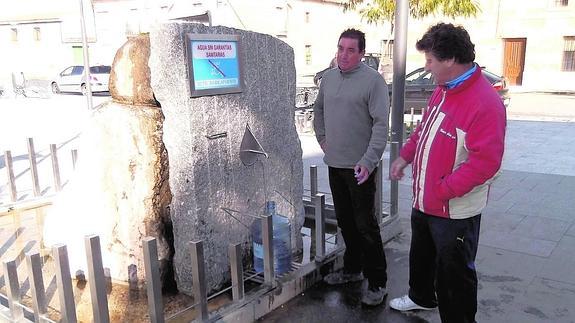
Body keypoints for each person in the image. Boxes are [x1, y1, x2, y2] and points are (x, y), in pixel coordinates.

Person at [388, 23, 506, 322]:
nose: (426, 67)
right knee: (422, 257)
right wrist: (404, 157)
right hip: (426, 201)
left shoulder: (484, 102)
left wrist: (444, 189)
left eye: (430, 60)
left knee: (455, 276)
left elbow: (486, 163)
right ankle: (422, 297)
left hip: (454, 209)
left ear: (450, 60)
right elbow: (423, 131)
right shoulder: (443, 91)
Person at [313, 28, 390, 306]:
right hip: (336, 163)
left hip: (361, 168)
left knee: (366, 226)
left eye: (350, 50)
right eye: (340, 48)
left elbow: (381, 126)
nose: (344, 55)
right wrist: (322, 138)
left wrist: (369, 161)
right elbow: (318, 109)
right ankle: (352, 270)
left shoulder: (373, 82)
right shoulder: (329, 78)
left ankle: (377, 282)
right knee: (345, 222)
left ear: (361, 53)